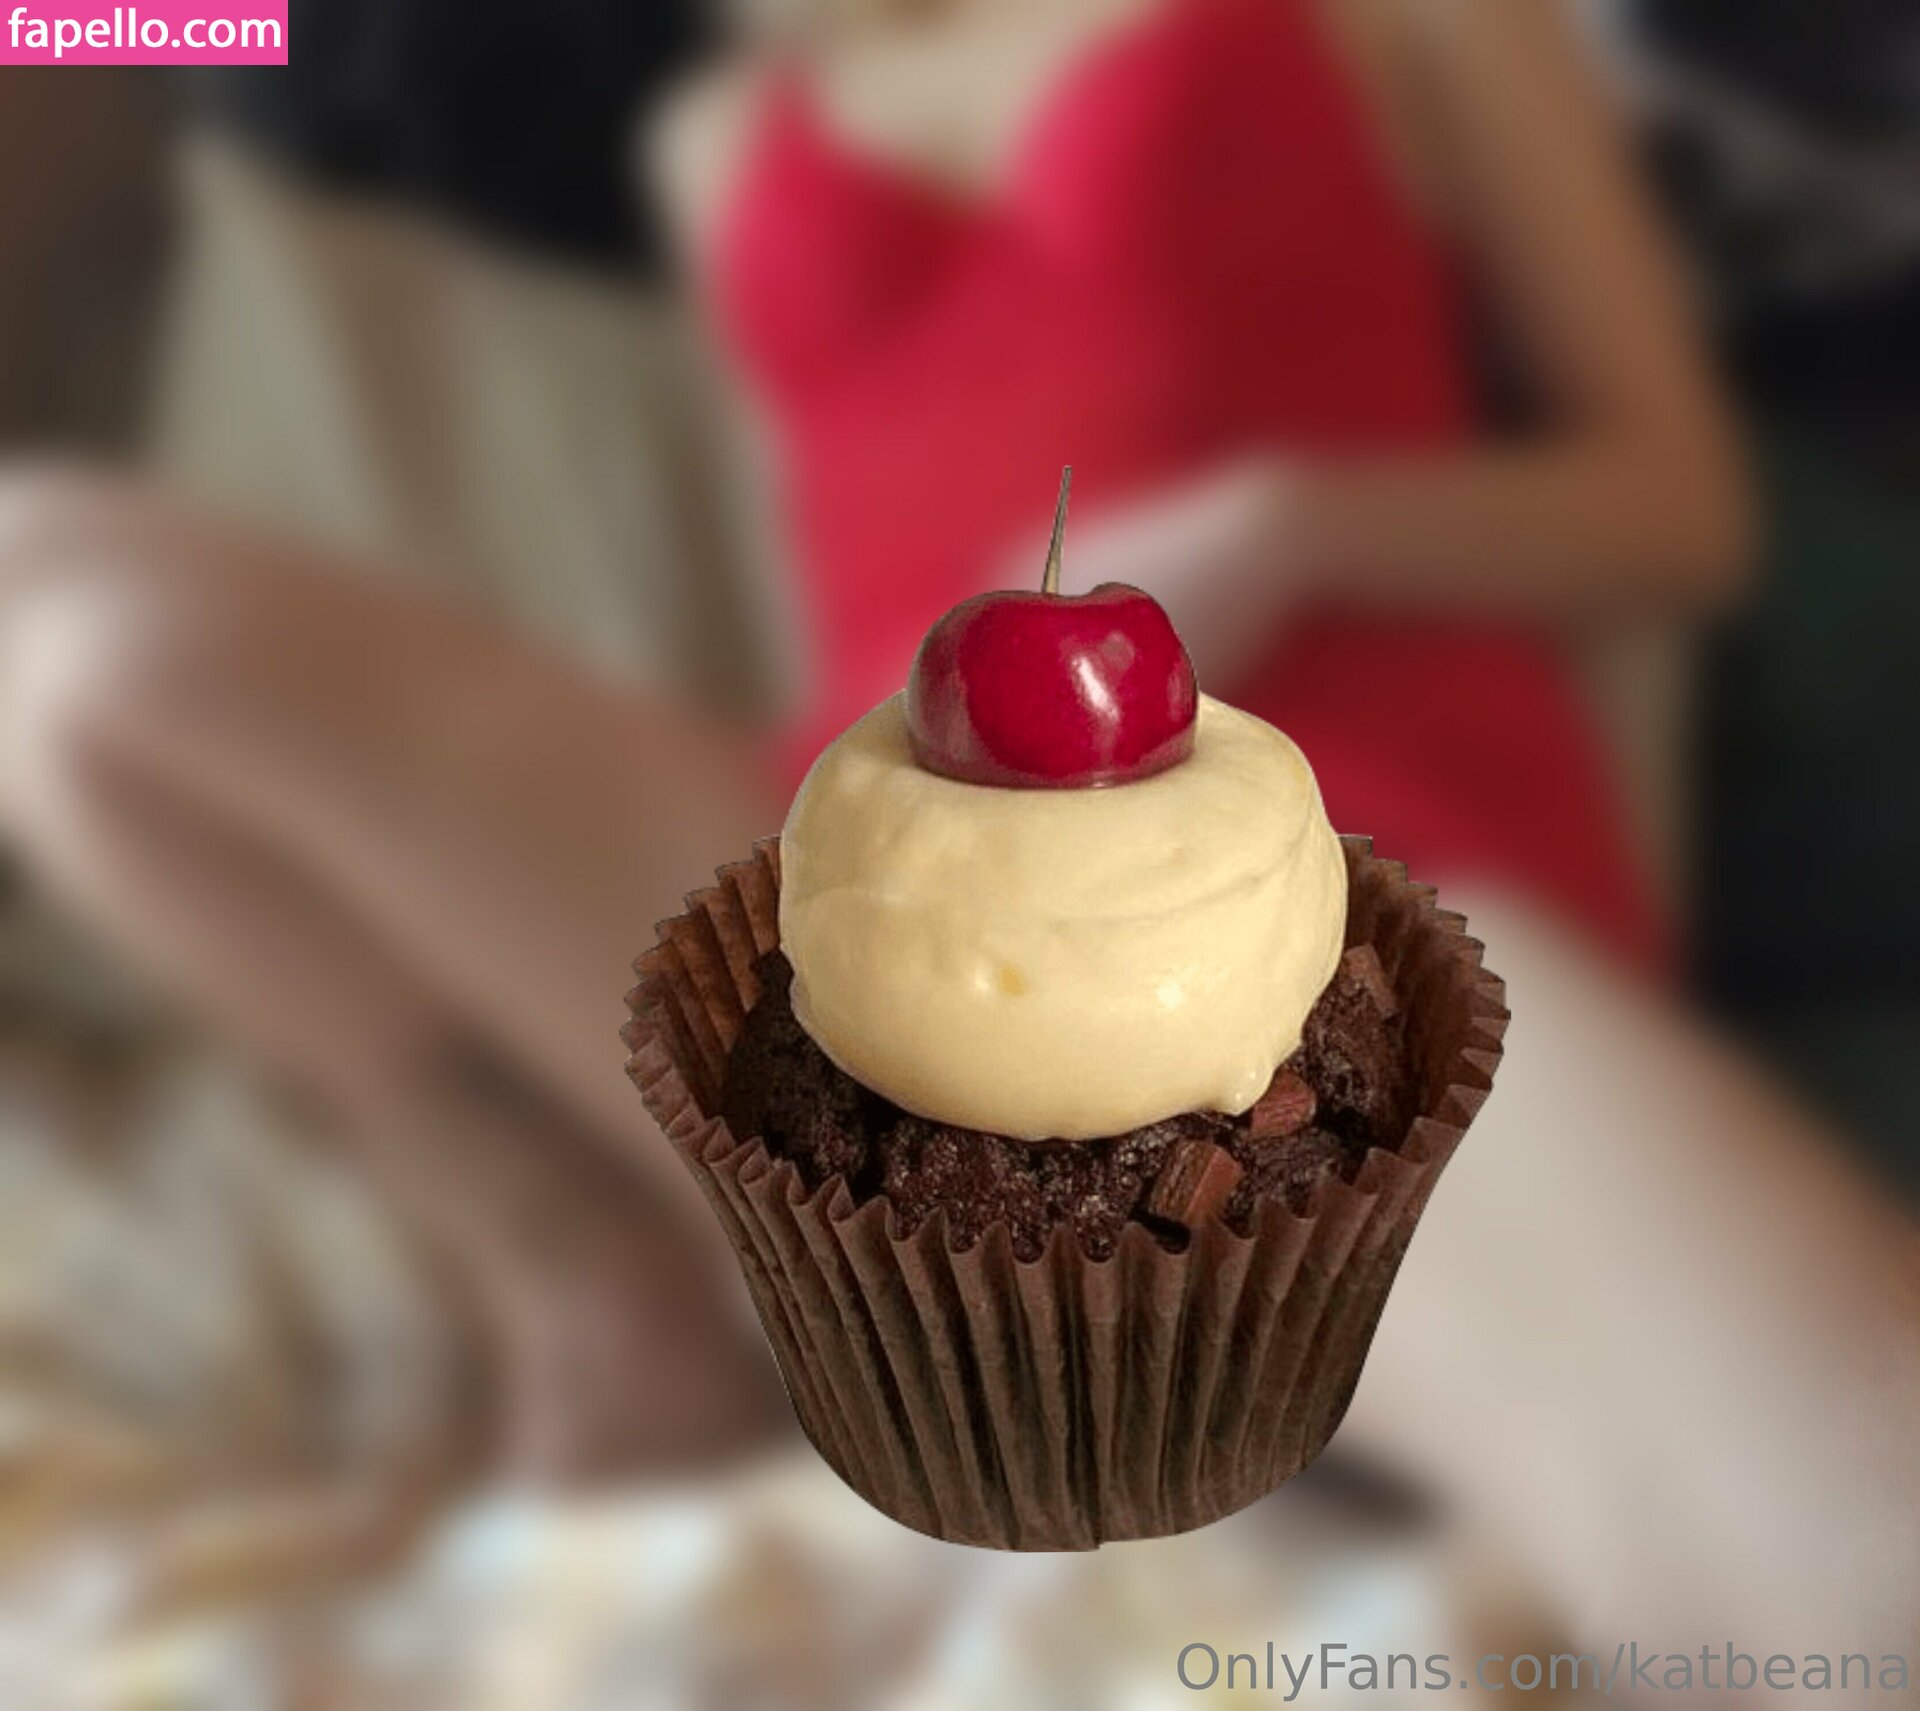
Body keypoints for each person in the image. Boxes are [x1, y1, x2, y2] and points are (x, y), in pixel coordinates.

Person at [0, 0, 1912, 1659]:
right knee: (65, 625)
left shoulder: (1419, 19)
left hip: (1301, 889)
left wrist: (1287, 522)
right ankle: (580, 1270)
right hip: (861, 903)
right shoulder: (719, 131)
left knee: (1863, 1562)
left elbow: (1684, 511)